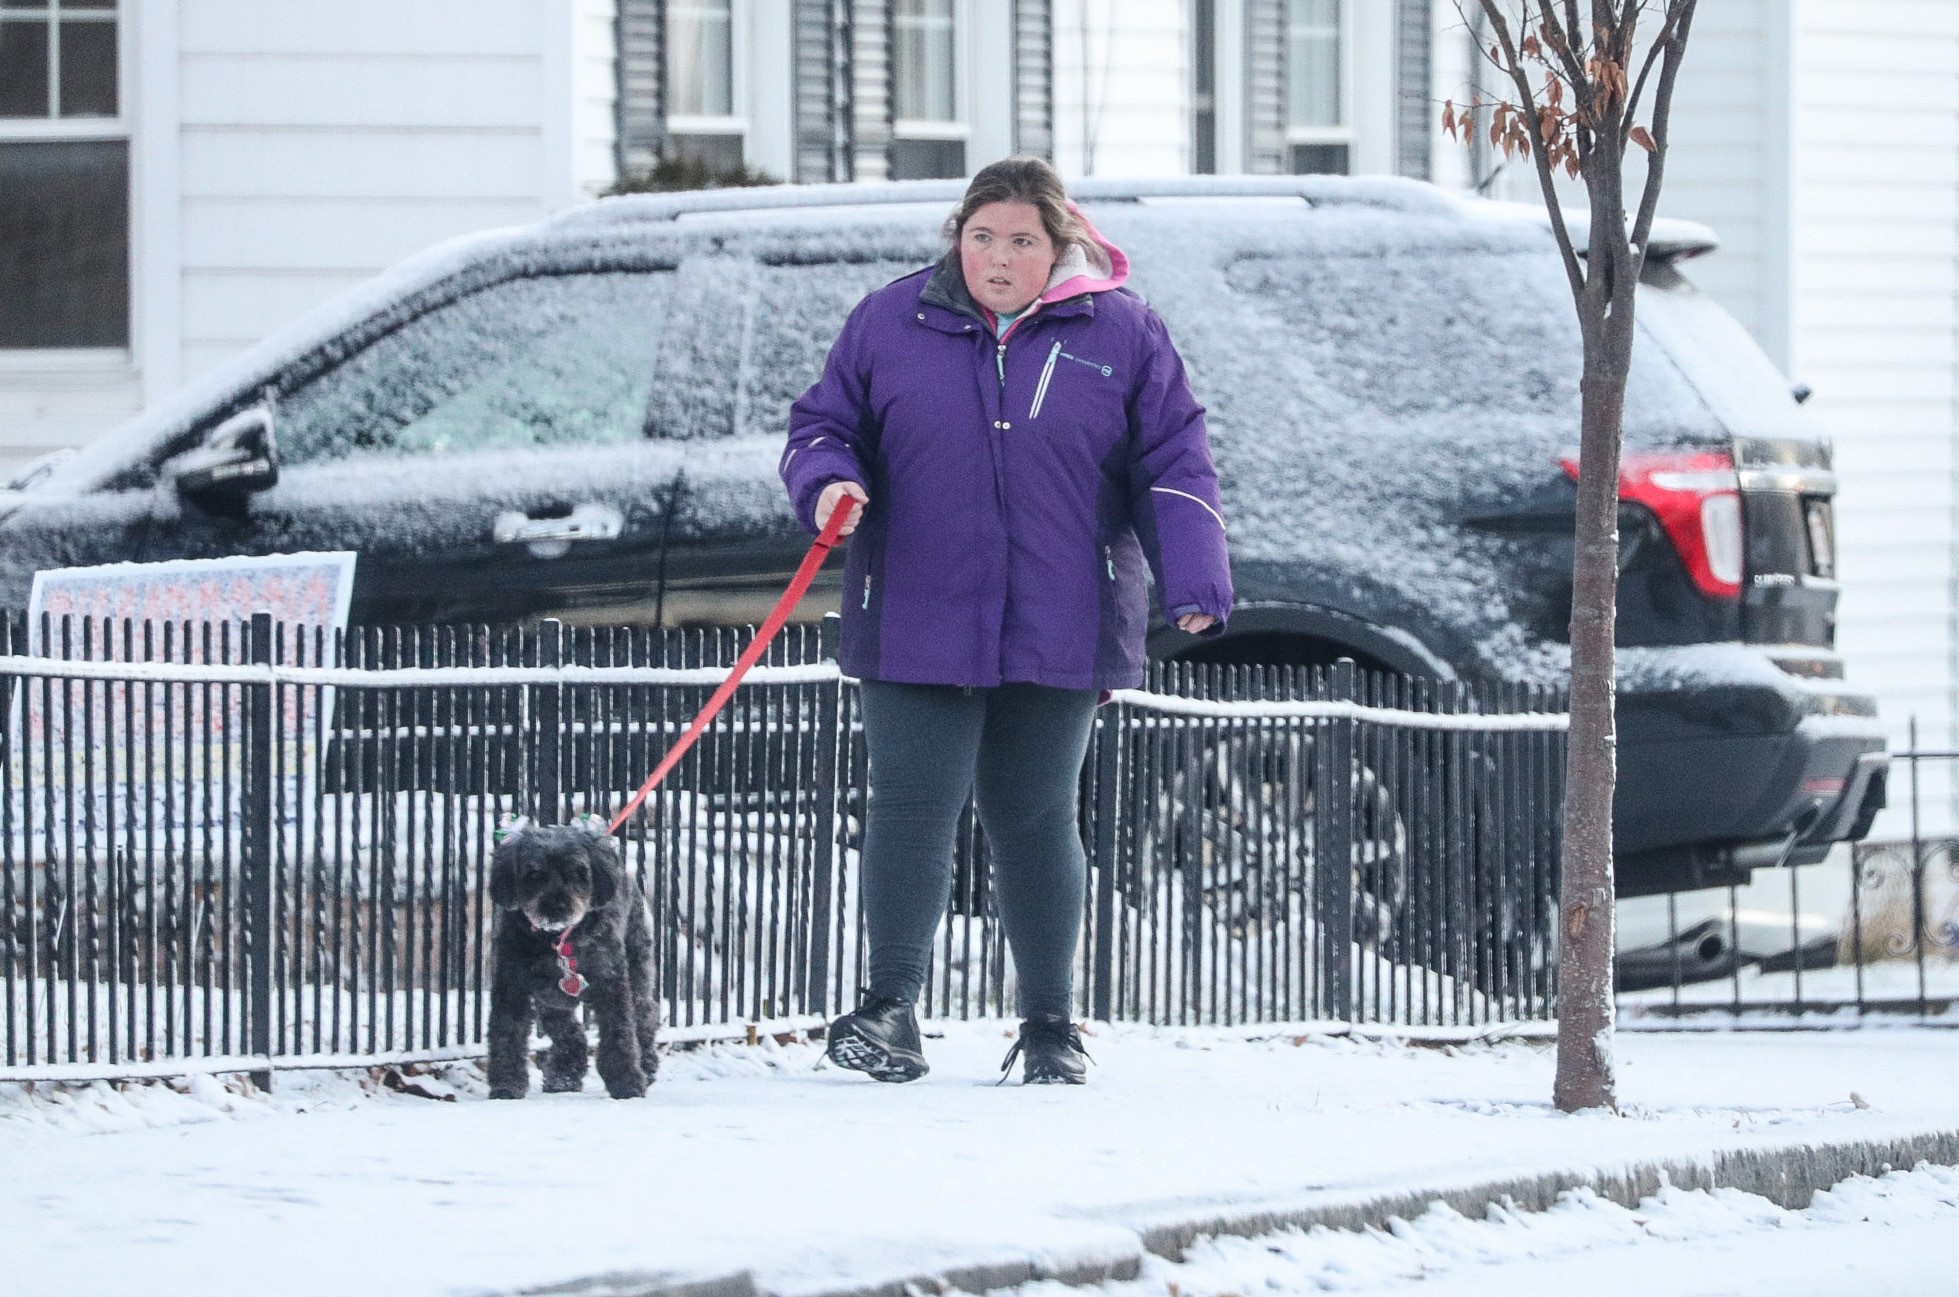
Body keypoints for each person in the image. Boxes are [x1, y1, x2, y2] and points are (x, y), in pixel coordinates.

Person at [779, 156, 1233, 1084]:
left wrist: (1194, 579)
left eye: (1020, 239)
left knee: (1032, 815)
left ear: (1058, 245)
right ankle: (889, 1009)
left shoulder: (1122, 332)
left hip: (1062, 614)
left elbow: (1172, 458)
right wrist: (829, 482)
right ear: (957, 238)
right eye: (980, 235)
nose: (996, 255)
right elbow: (823, 425)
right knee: (911, 807)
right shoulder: (889, 320)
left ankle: (1049, 1026)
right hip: (913, 605)